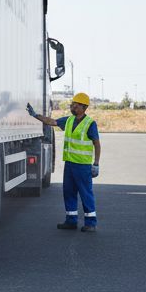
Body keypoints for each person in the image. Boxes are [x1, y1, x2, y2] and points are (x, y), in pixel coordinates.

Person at [27, 92, 101, 232]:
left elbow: (97, 144)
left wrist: (96, 164)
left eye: (75, 104)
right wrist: (35, 115)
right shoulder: (68, 120)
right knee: (69, 192)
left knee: (86, 193)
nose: (72, 106)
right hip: (70, 164)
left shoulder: (90, 124)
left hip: (83, 166)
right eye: (72, 104)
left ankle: (91, 222)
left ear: (83, 107)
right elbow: (52, 122)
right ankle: (71, 220)